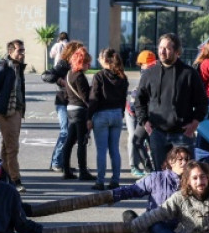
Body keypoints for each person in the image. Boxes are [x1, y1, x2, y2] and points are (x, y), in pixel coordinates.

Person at [134, 33, 209, 170]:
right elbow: (139, 100)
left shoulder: (189, 74)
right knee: (160, 175)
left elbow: (202, 102)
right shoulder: (149, 74)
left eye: (167, 48)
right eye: (160, 47)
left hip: (182, 134)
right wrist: (144, 122)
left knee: (185, 175)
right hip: (157, 133)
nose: (162, 51)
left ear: (177, 51)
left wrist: (195, 122)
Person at [118, 146, 192, 233]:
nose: (184, 162)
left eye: (187, 159)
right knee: (128, 215)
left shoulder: (192, 182)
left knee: (161, 227)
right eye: (180, 159)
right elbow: (133, 189)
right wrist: (111, 195)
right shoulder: (156, 178)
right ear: (171, 161)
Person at [0, 39, 27, 192]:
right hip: (6, 111)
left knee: (6, 146)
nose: (22, 54)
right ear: (10, 52)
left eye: (23, 50)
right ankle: (15, 180)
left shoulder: (17, 67)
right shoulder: (3, 66)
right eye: (19, 51)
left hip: (17, 110)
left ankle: (3, 177)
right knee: (12, 147)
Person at [41, 40, 85, 173]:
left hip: (72, 103)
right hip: (62, 102)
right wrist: (59, 80)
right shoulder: (63, 64)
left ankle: (63, 162)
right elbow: (45, 75)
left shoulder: (75, 65)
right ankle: (56, 162)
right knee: (65, 132)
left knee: (71, 134)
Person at [89, 48, 128, 190]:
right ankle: (115, 180)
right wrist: (121, 112)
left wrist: (89, 117)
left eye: (99, 57)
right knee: (114, 149)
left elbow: (94, 98)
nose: (98, 59)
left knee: (101, 150)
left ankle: (100, 181)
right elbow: (124, 97)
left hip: (102, 114)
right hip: (117, 113)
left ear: (104, 59)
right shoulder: (122, 76)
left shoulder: (99, 76)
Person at [60, 47, 93, 182]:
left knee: (69, 141)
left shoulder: (69, 74)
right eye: (87, 63)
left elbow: (67, 93)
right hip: (80, 110)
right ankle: (83, 171)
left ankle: (66, 170)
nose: (89, 65)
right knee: (82, 141)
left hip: (70, 109)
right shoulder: (79, 76)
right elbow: (86, 97)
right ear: (81, 62)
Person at [125, 50, 156, 176]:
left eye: (141, 64)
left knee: (136, 140)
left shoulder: (146, 73)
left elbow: (139, 95)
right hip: (146, 112)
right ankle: (149, 168)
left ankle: (148, 169)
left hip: (140, 112)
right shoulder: (157, 72)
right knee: (145, 140)